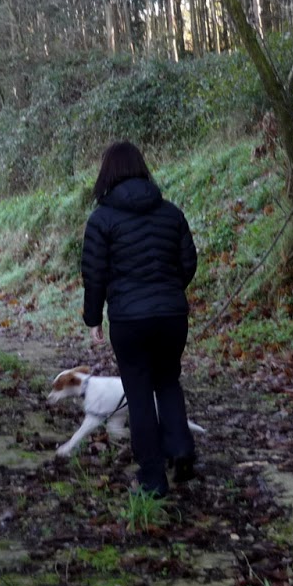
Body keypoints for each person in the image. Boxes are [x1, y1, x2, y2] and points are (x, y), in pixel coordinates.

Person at [81, 140, 198, 497]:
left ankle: (152, 478)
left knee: (140, 392)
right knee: (167, 381)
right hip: (172, 315)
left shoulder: (102, 218)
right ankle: (181, 450)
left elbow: (94, 274)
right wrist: (169, 291)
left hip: (130, 321)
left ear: (107, 174)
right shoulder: (170, 212)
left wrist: (93, 318)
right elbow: (188, 261)